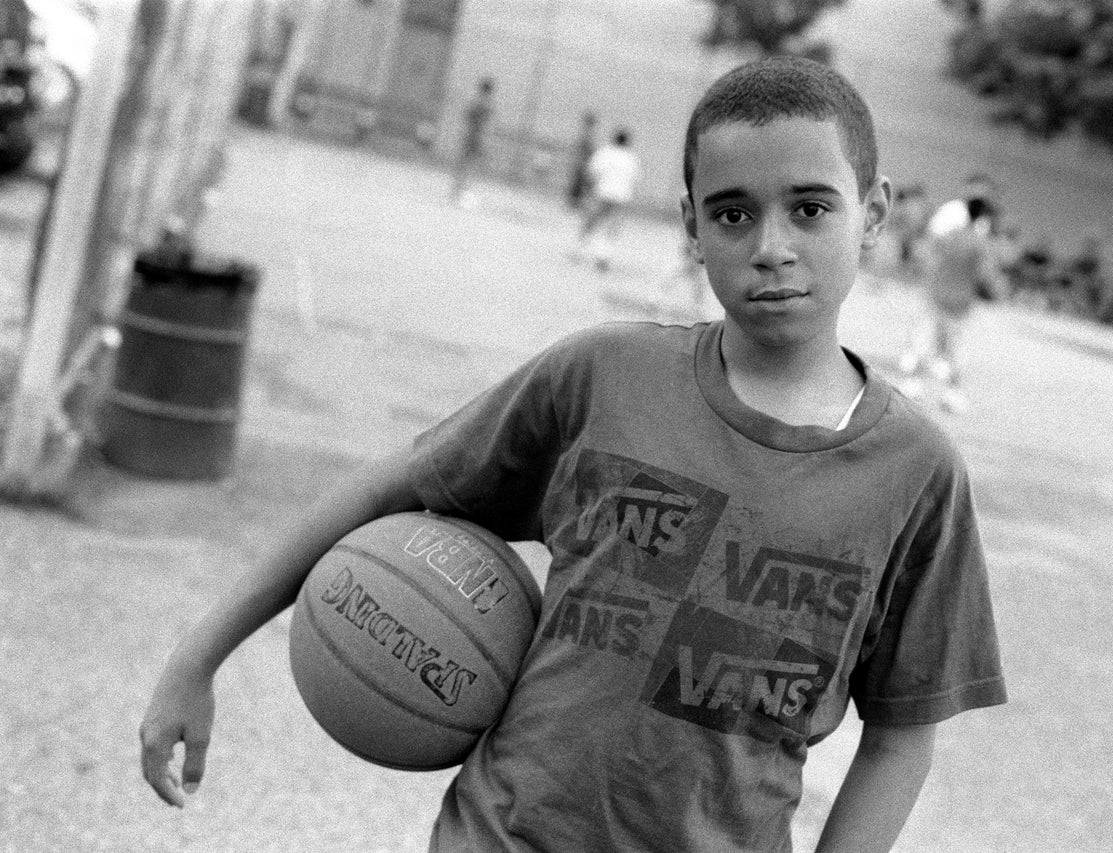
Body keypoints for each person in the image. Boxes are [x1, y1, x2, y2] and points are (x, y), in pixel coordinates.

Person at [140, 57, 1006, 852]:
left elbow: (899, 737)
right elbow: (392, 486)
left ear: (876, 213)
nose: (771, 245)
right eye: (732, 212)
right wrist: (198, 654)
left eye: (810, 207)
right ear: (692, 228)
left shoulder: (915, 473)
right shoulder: (603, 375)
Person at [897, 177, 1002, 413]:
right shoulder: (979, 243)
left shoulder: (950, 235)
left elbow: (929, 255)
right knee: (954, 350)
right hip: (960, 303)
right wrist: (996, 292)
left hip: (937, 295)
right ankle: (951, 394)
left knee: (924, 341)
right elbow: (986, 275)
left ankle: (913, 384)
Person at [570, 127, 641, 272]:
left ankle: (580, 250)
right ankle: (604, 256)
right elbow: (636, 178)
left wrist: (588, 188)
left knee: (591, 221)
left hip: (602, 192)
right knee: (611, 227)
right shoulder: (631, 158)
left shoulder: (605, 152)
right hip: (621, 196)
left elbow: (592, 171)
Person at [449, 77, 494, 207]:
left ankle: (457, 189)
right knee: (469, 164)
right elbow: (486, 123)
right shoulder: (486, 105)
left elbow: (466, 116)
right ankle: (461, 190)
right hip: (477, 136)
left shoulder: (475, 102)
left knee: (464, 162)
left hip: (470, 134)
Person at [565, 109, 597, 209]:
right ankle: (574, 203)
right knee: (578, 184)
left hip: (581, 163)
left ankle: (574, 203)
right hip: (581, 163)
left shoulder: (586, 135)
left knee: (578, 184)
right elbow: (583, 149)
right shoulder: (586, 136)